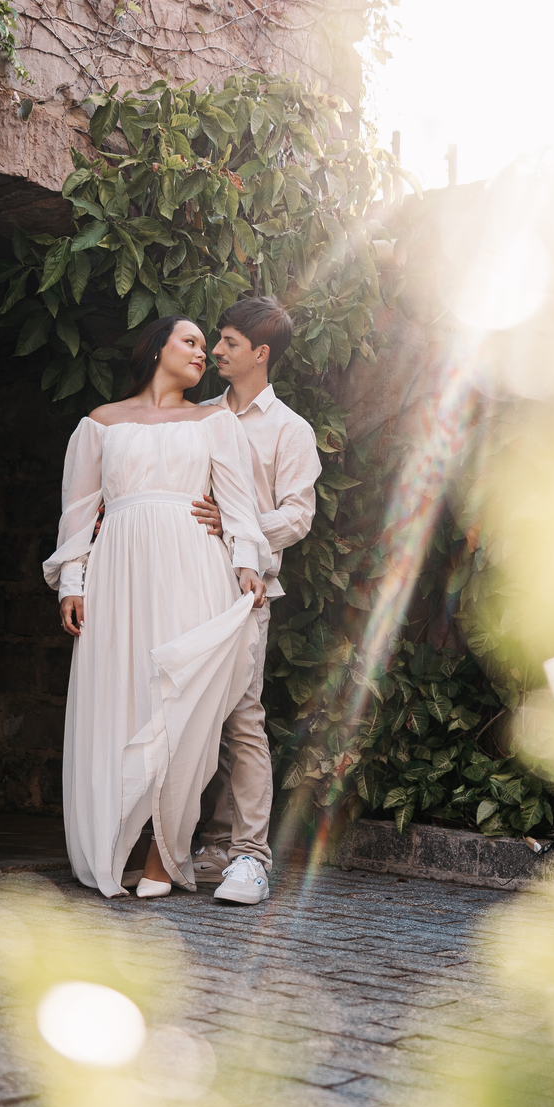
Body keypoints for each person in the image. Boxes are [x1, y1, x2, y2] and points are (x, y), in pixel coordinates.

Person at [43, 316, 268, 899]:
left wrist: (246, 560)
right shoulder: (100, 423)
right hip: (118, 573)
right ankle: (113, 837)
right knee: (122, 696)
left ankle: (162, 854)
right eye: (190, 342)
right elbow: (78, 511)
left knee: (181, 706)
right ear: (157, 347)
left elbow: (239, 503)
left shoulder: (214, 421)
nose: (202, 353)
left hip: (192, 567)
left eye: (205, 345)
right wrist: (73, 579)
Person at [191, 297, 322, 905]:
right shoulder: (196, 417)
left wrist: (237, 528)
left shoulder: (290, 430)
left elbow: (298, 517)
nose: (216, 351)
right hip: (189, 582)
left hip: (249, 591)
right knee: (201, 718)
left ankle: (251, 858)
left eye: (229, 342)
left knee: (242, 717)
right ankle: (215, 845)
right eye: (217, 341)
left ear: (260, 353)